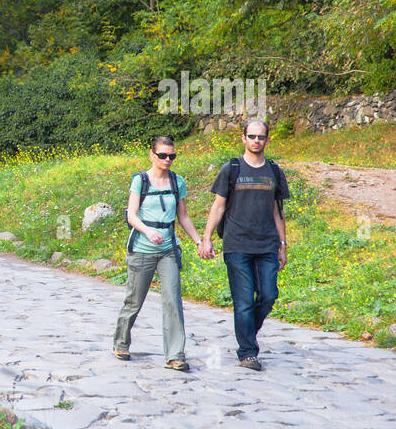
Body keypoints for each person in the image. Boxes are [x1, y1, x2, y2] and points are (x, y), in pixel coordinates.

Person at [200, 120, 291, 370]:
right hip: (237, 244)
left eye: (261, 137)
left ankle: (247, 332)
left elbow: (277, 211)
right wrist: (206, 237)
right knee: (243, 301)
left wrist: (283, 244)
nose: (256, 141)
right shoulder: (232, 168)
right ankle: (247, 352)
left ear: (267, 140)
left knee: (269, 294)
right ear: (243, 139)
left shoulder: (274, 171)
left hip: (266, 245)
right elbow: (218, 205)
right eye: (251, 136)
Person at [113, 136, 204, 370]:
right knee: (134, 300)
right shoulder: (140, 181)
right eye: (162, 155)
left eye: (171, 156)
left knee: (173, 300)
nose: (167, 159)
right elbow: (131, 215)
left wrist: (198, 241)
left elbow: (182, 216)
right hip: (142, 249)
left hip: (168, 250)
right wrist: (147, 230)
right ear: (152, 155)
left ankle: (175, 355)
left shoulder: (177, 182)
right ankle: (121, 342)